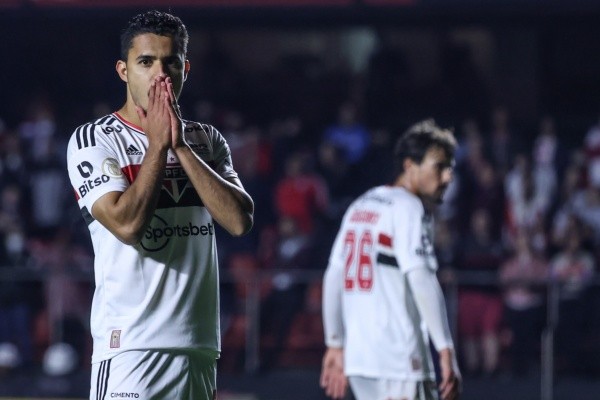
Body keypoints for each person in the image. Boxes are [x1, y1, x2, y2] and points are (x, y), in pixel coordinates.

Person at [65, 10, 254, 400]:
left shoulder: (207, 141)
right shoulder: (94, 140)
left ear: (186, 68)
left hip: (198, 347)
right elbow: (127, 225)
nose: (160, 74)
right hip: (132, 350)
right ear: (123, 70)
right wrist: (157, 146)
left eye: (170, 62)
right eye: (146, 61)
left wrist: (180, 146)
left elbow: (239, 221)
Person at [321, 120, 461, 400]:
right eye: (439, 167)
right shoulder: (409, 208)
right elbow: (421, 278)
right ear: (410, 166)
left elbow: (334, 275)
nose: (446, 178)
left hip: (361, 361)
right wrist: (445, 348)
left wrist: (334, 342)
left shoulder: (361, 204)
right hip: (400, 360)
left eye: (449, 169)